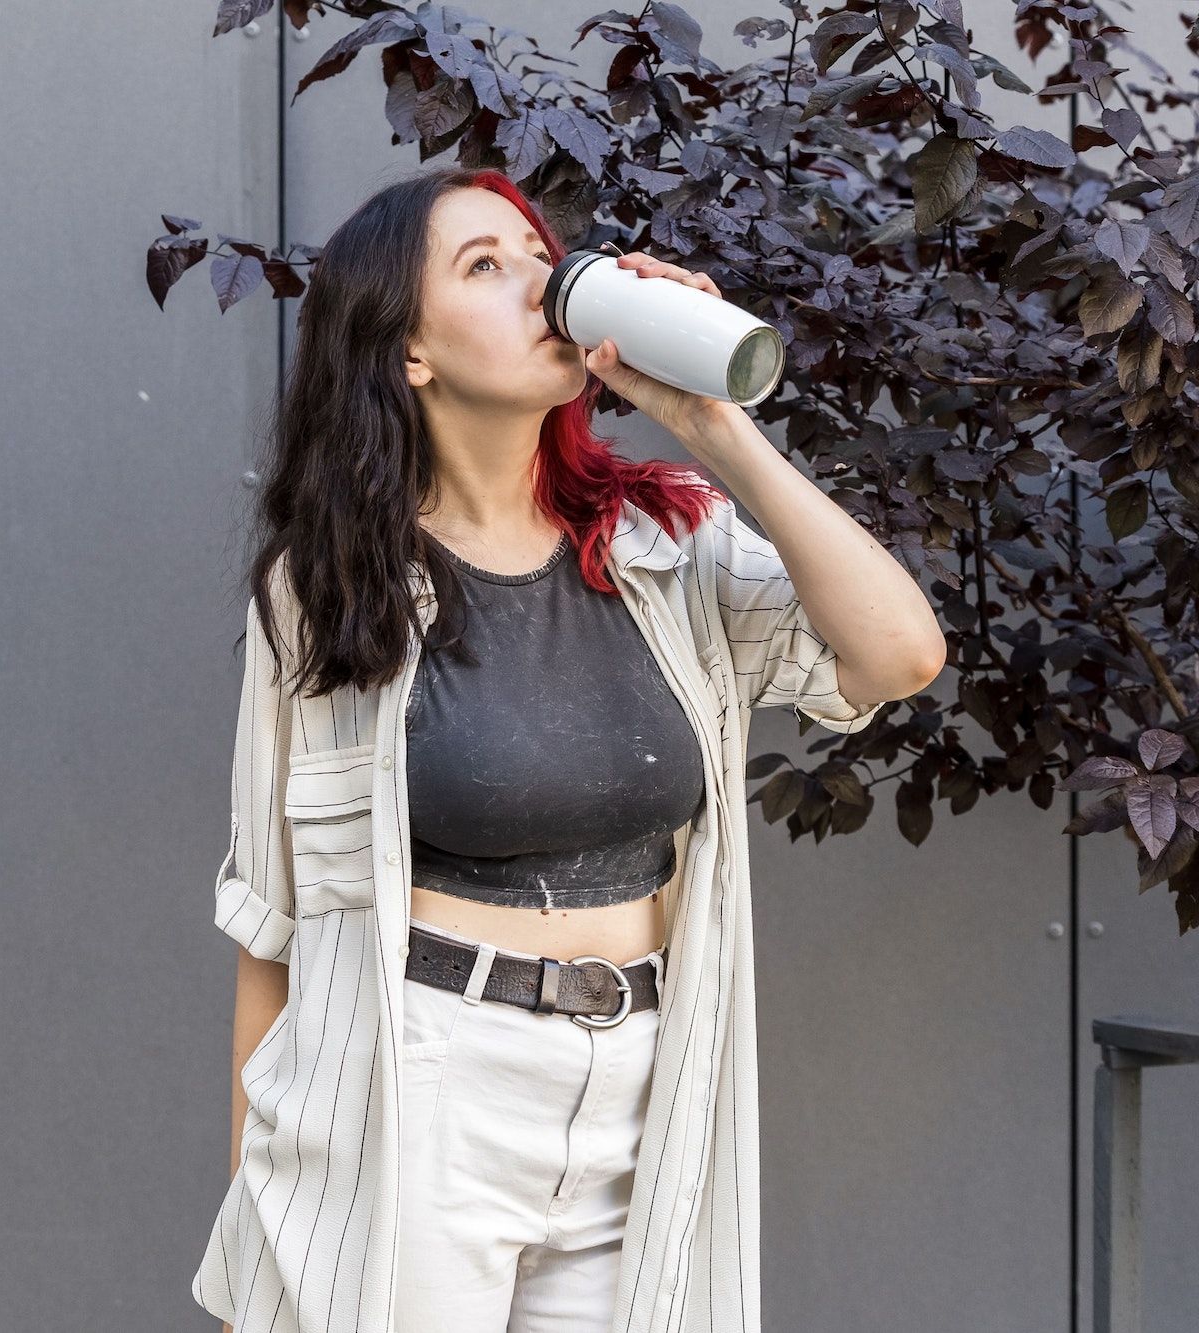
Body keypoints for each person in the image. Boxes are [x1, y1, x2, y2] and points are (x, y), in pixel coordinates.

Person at [191, 165, 944, 1333]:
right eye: (482, 268)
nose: (537, 284)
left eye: (537, 256)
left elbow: (896, 656)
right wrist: (262, 1226)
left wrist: (716, 427)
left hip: (642, 1081)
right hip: (420, 1086)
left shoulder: (662, 542)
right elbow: (271, 926)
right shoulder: (328, 591)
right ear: (407, 354)